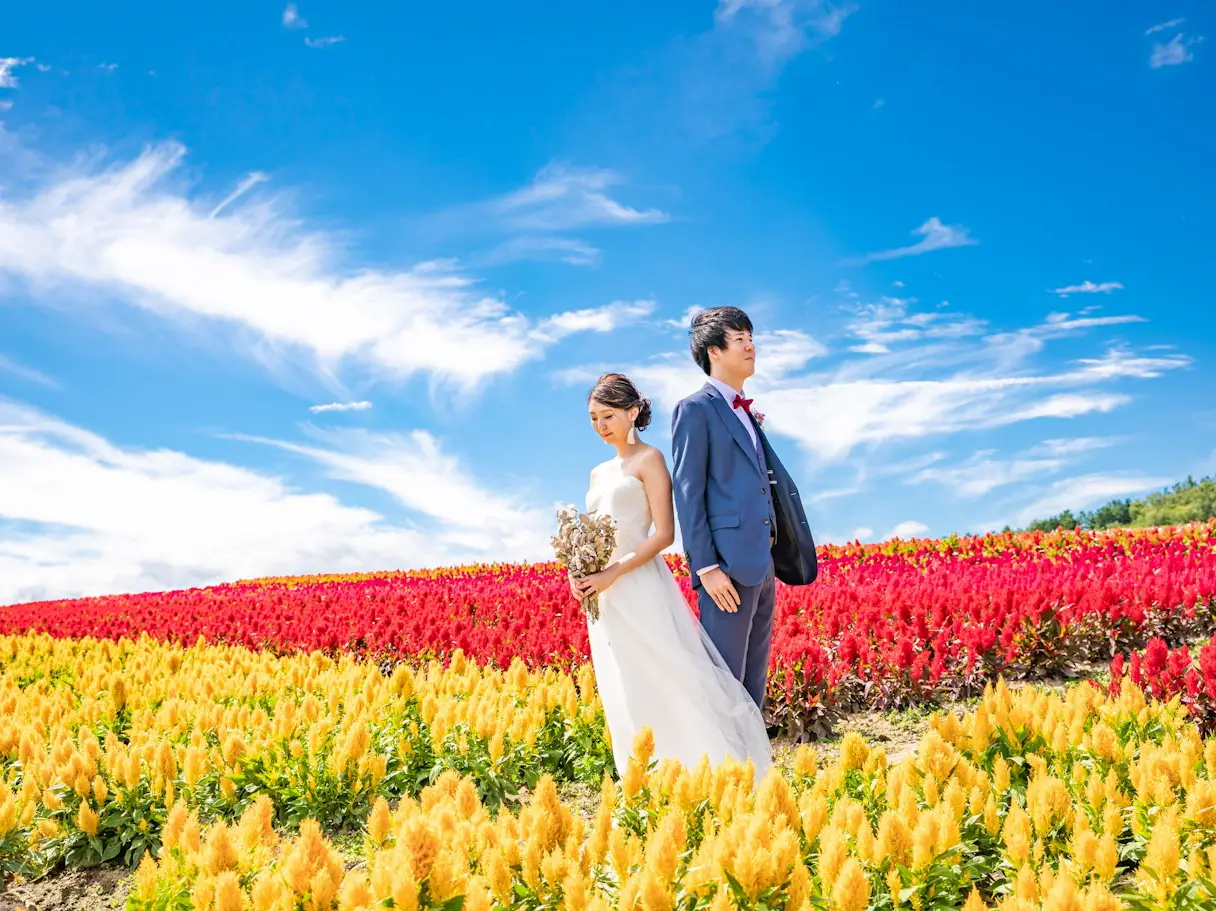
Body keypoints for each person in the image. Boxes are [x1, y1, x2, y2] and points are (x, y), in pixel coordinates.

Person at [570, 372, 772, 779]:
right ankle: (644, 775)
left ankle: (708, 770)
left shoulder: (651, 459)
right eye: (593, 418)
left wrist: (615, 571)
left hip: (640, 583)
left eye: (608, 416)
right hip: (605, 595)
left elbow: (664, 533)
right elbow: (592, 532)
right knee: (624, 680)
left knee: (667, 674)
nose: (601, 426)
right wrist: (580, 572)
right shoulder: (596, 473)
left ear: (632, 412)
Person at [671, 307, 818, 712]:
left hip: (761, 563)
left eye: (751, 337)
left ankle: (752, 767)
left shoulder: (745, 412)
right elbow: (688, 492)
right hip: (726, 572)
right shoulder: (695, 409)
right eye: (740, 339)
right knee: (722, 683)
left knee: (753, 685)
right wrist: (706, 568)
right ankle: (718, 769)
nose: (751, 346)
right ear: (714, 351)